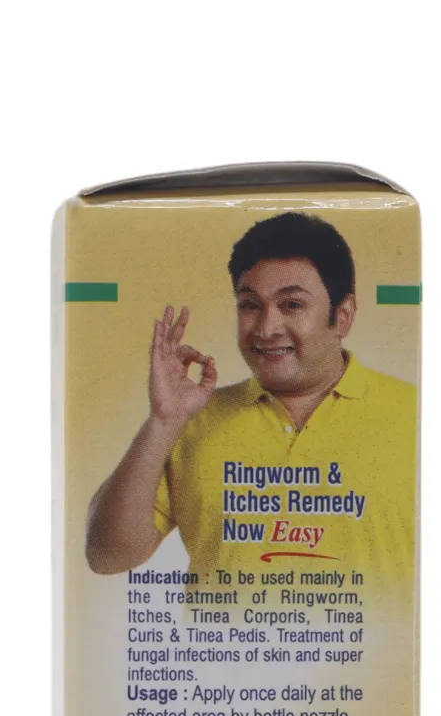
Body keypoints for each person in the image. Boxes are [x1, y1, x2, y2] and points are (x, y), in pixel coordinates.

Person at [85, 212, 416, 591]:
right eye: (250, 304)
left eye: (292, 305)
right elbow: (106, 555)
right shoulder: (190, 421)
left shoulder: (414, 417)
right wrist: (162, 421)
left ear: (342, 316)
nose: (266, 328)